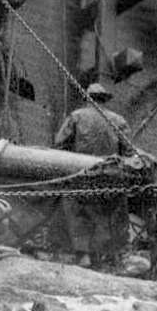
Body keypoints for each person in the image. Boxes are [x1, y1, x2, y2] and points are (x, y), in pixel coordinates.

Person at [54, 82, 134, 269]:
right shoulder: (119, 120)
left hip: (82, 174)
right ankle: (108, 256)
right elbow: (129, 152)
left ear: (87, 99)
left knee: (77, 212)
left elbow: (59, 146)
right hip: (110, 177)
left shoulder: (76, 116)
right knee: (109, 214)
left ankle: (83, 255)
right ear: (105, 100)